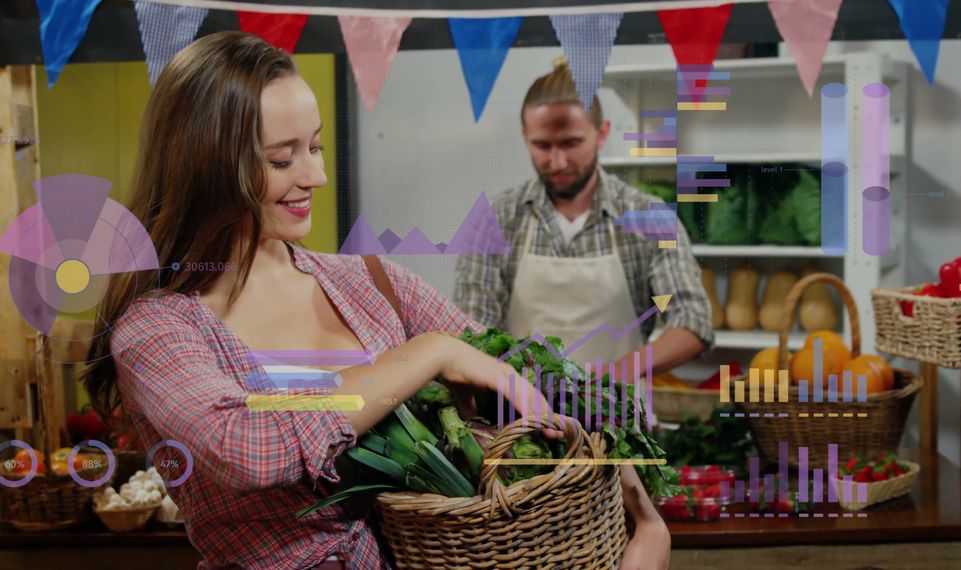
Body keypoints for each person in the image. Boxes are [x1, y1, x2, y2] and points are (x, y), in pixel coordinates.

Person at [82, 32, 667, 570]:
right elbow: (246, 446)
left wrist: (644, 518)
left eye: (315, 147)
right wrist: (430, 354)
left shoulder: (370, 282)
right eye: (282, 159)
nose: (315, 176)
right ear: (207, 166)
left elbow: (529, 376)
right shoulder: (156, 329)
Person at [455, 57, 712, 379]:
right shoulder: (496, 218)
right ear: (525, 136)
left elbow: (693, 321)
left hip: (619, 415)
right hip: (519, 417)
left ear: (601, 133)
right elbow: (472, 333)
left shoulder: (648, 217)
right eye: (542, 145)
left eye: (571, 143)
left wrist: (609, 378)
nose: (558, 161)